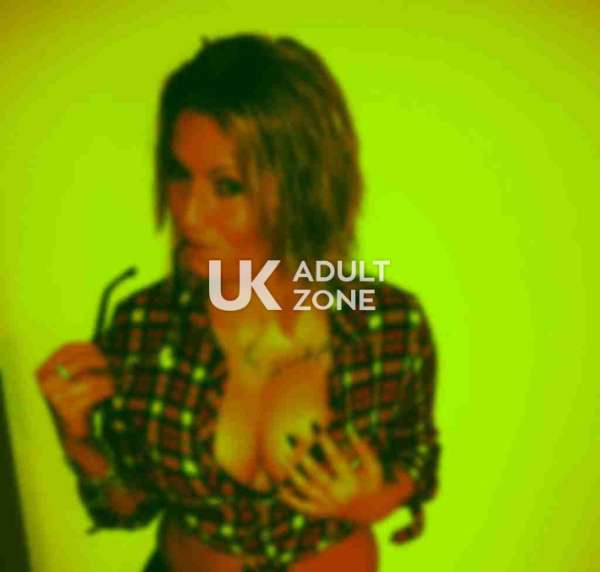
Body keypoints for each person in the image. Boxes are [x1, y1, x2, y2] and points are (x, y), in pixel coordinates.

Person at [36, 33, 440, 571]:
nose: (188, 215)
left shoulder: (385, 322)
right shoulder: (144, 327)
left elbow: (417, 454)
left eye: (226, 187)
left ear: (302, 189)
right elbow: (126, 508)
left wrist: (377, 499)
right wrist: (79, 441)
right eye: (179, 176)